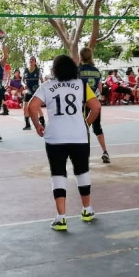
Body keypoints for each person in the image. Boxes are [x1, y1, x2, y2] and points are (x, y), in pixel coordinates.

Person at [28, 55, 102, 232]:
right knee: (82, 171)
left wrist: (38, 125)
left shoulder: (47, 86)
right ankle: (87, 210)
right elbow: (96, 107)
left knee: (58, 174)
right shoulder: (81, 85)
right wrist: (86, 122)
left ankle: (61, 218)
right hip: (78, 136)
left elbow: (31, 106)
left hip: (55, 137)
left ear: (55, 70)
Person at [78, 48, 111, 163]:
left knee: (83, 128)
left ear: (80, 56)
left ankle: (84, 155)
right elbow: (100, 88)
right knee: (97, 128)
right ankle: (105, 151)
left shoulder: (78, 70)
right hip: (94, 102)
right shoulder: (97, 71)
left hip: (82, 102)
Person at [22, 57, 46, 131]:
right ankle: (27, 124)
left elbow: (42, 81)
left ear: (35, 62)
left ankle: (42, 122)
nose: (31, 61)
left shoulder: (38, 71)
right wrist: (24, 85)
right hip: (28, 91)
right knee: (25, 107)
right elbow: (22, 80)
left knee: (37, 107)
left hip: (36, 90)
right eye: (30, 60)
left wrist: (43, 89)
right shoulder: (26, 70)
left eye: (32, 60)